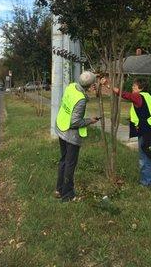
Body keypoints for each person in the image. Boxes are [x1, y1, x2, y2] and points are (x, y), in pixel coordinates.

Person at [55, 71, 100, 202]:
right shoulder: (81, 99)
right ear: (90, 86)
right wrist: (89, 121)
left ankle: (59, 189)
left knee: (63, 160)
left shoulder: (71, 86)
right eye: (93, 85)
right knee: (70, 164)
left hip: (61, 127)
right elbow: (74, 122)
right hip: (70, 135)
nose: (95, 87)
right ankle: (67, 195)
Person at [113, 77, 151, 186]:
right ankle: (150, 181)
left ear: (141, 88)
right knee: (148, 155)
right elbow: (145, 111)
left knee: (144, 158)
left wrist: (108, 85)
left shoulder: (138, 96)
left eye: (134, 86)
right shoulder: (148, 96)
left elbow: (124, 94)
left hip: (146, 131)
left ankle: (146, 183)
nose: (132, 87)